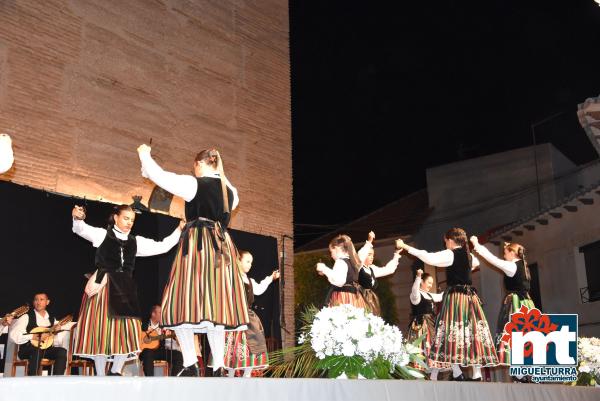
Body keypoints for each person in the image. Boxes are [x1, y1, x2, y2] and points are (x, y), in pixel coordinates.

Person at [137, 145, 249, 377]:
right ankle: (217, 365)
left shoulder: (195, 184)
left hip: (198, 247)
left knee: (182, 302)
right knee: (216, 308)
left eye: (194, 167)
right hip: (221, 248)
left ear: (199, 164)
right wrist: (148, 172)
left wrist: (144, 154)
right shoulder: (231, 191)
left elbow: (162, 177)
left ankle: (190, 362)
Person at [71, 204, 182, 376]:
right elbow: (81, 229)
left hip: (125, 289)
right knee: (101, 331)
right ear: (115, 217)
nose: (129, 222)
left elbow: (163, 246)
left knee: (128, 332)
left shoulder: (135, 242)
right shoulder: (103, 235)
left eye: (132, 220)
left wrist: (179, 229)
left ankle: (115, 370)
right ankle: (101, 375)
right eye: (125, 218)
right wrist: (77, 218)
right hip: (104, 287)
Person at [397, 228, 499, 381]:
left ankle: (458, 372)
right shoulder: (469, 256)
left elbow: (428, 257)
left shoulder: (450, 254)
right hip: (470, 298)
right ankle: (475, 373)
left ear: (450, 240)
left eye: (445, 241)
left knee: (449, 331)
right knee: (472, 331)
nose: (445, 244)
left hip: (456, 298)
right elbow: (475, 264)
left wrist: (406, 247)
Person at [470, 237, 535, 376]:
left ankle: (520, 374)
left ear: (512, 253)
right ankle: (525, 372)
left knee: (513, 334)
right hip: (527, 304)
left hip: (516, 303)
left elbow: (492, 259)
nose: (504, 256)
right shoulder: (524, 266)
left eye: (505, 253)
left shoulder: (512, 266)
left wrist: (476, 245)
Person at [220, 251, 279, 377]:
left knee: (254, 345)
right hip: (235, 317)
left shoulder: (250, 280)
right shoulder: (232, 277)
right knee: (234, 347)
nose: (250, 265)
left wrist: (271, 278)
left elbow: (258, 289)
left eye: (251, 262)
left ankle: (247, 375)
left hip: (249, 317)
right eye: (247, 261)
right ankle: (230, 375)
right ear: (238, 261)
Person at [9, 293, 67, 375]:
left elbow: (55, 340)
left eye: (41, 299)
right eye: (36, 300)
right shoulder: (27, 317)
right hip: (28, 349)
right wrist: (32, 336)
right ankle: (33, 380)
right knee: (37, 351)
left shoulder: (51, 319)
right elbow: (13, 336)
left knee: (61, 351)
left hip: (45, 349)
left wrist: (56, 332)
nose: (38, 302)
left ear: (47, 302)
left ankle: (56, 380)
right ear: (33, 302)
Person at [316, 235, 374, 312]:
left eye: (331, 252)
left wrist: (324, 268)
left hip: (343, 297)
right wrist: (369, 242)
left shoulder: (340, 261)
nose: (331, 255)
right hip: (354, 297)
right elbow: (363, 253)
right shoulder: (355, 262)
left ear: (337, 248)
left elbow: (339, 281)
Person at [406, 269, 443, 380]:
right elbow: (415, 290)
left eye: (432, 283)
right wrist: (418, 276)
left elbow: (441, 296)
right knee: (421, 349)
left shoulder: (430, 296)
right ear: (422, 282)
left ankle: (433, 376)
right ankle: (420, 377)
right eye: (429, 283)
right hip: (420, 326)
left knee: (435, 349)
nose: (430, 286)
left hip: (431, 325)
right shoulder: (415, 296)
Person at [356, 231, 401, 315]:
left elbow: (389, 269)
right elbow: (360, 256)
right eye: (369, 254)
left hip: (372, 301)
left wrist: (396, 254)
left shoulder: (372, 269)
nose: (372, 257)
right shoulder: (358, 268)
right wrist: (369, 242)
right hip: (360, 300)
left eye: (373, 255)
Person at [140, 305, 184, 376]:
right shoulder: (143, 324)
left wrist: (174, 337)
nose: (162, 315)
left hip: (161, 351)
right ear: (153, 314)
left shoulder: (164, 327)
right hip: (146, 352)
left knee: (178, 355)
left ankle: (173, 379)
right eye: (160, 313)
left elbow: (170, 342)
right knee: (148, 353)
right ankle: (150, 380)